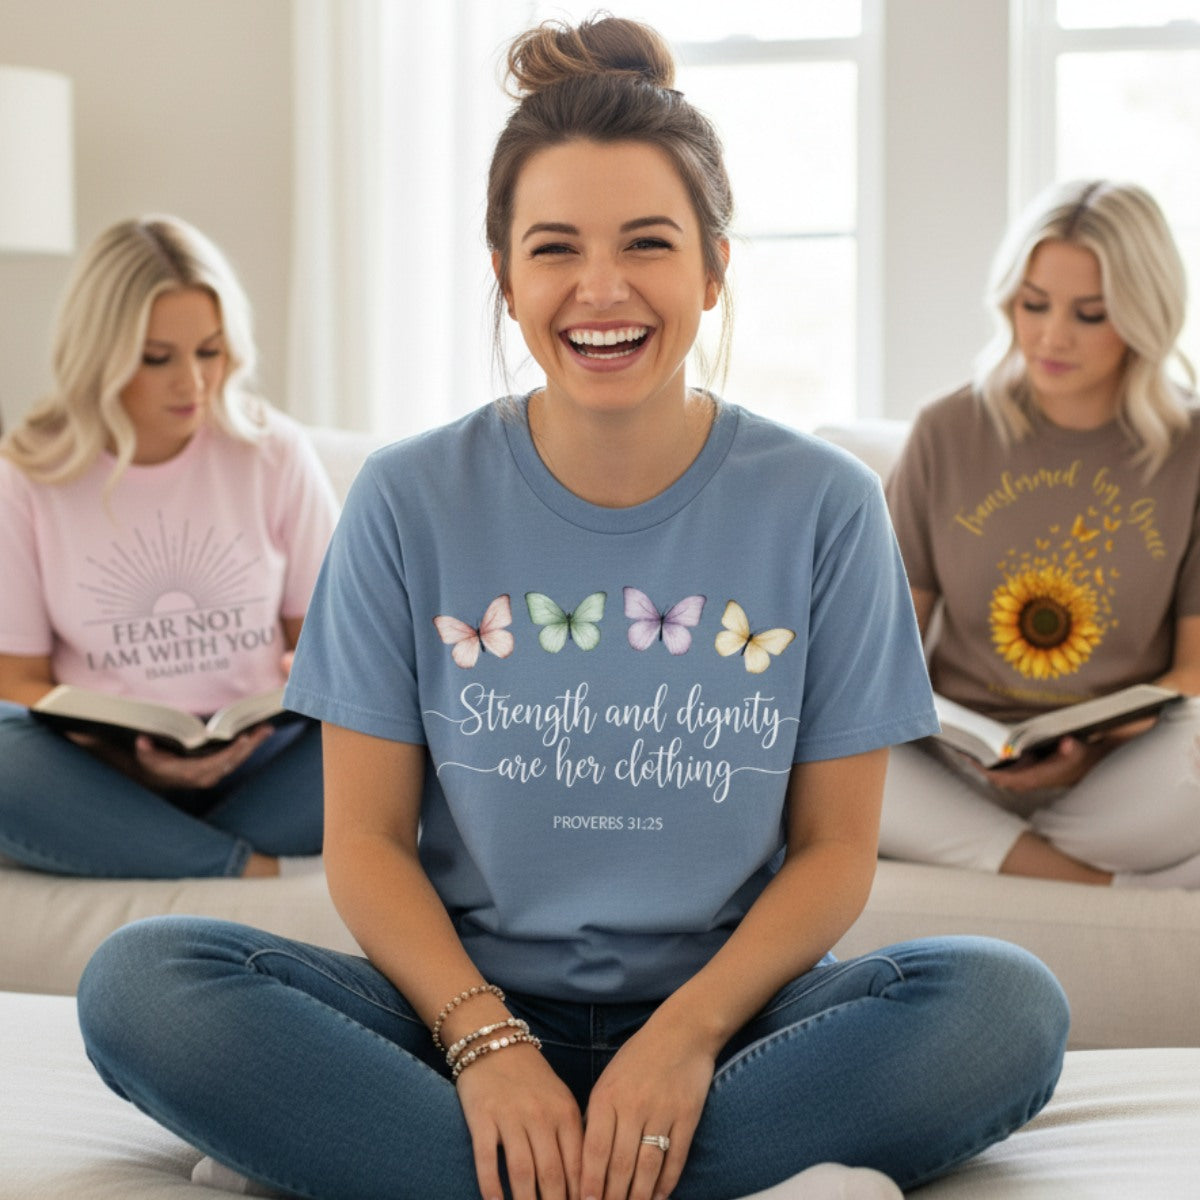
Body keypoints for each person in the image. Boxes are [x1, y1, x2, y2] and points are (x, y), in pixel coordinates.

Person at [76, 18, 1067, 1200]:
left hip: (733, 1024)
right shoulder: (404, 499)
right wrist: (486, 1046)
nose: (602, 289)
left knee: (1005, 1005)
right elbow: (368, 844)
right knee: (141, 984)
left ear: (712, 268)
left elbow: (837, 851)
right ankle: (623, 1168)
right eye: (555, 249)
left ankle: (410, 1161)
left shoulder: (827, 508)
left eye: (649, 243)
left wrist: (683, 1040)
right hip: (456, 1021)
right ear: (504, 274)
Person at [882, 178, 1200, 890]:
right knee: (823, 745)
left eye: (1090, 314)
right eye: (1034, 305)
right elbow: (884, 646)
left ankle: (995, 857)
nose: (1051, 336)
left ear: (1145, 316)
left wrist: (1089, 747)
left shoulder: (1191, 451)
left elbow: (1193, 672)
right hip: (954, 767)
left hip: (1117, 773)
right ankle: (1095, 883)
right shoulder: (946, 431)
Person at [0, 215, 338, 879]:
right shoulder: (27, 476)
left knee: (411, 720)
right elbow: (15, 679)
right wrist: (129, 758)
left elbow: (331, 645)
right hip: (106, 772)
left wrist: (308, 678)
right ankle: (238, 864)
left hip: (263, 762)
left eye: (210, 352)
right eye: (158, 359)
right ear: (100, 354)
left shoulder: (272, 453)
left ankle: (146, 849)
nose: (194, 384)